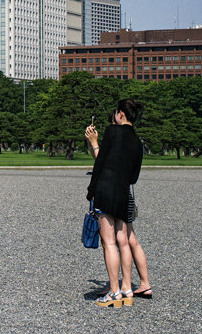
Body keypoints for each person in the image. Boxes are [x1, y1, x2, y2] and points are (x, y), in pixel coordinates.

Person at [86, 110, 152, 301]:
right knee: (128, 239)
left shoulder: (115, 137)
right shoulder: (132, 140)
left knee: (121, 240)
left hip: (112, 193)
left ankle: (122, 287)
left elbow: (104, 164)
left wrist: (94, 143)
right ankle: (133, 285)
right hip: (125, 193)